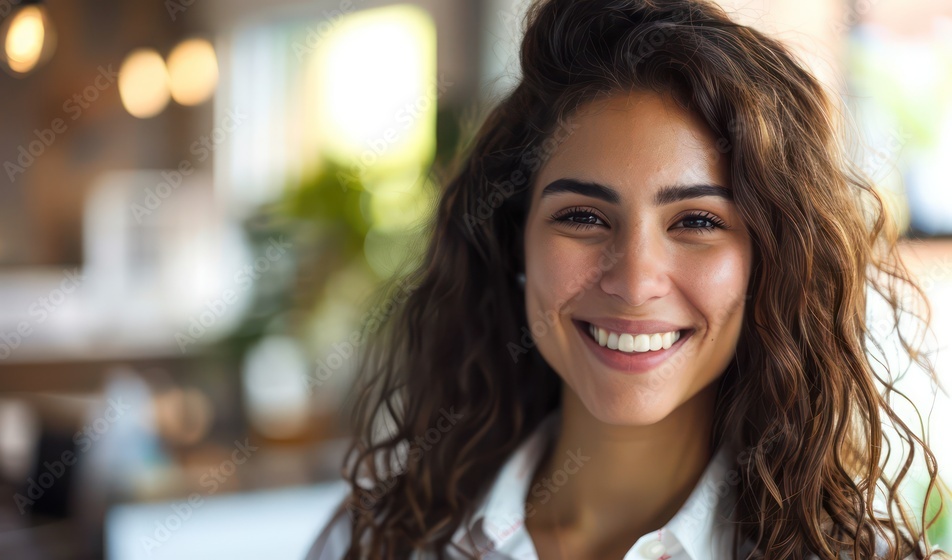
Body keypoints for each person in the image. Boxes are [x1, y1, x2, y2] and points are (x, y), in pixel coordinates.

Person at [305, 0, 950, 558]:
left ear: (768, 263)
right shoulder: (377, 543)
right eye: (583, 217)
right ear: (514, 240)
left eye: (697, 220)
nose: (636, 281)